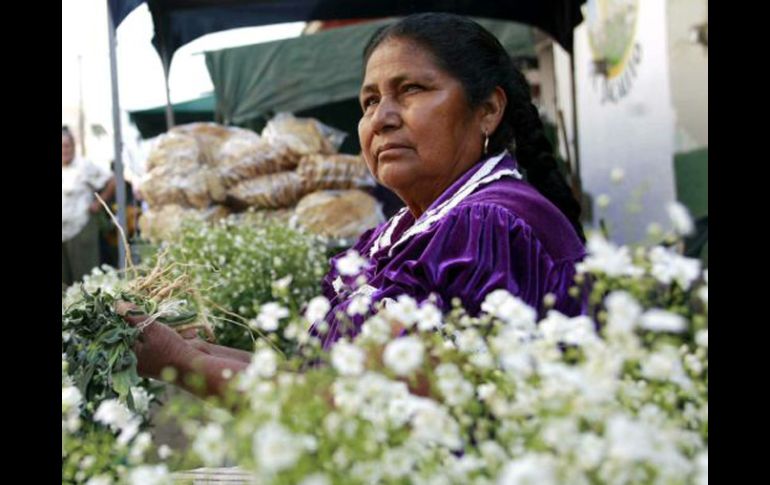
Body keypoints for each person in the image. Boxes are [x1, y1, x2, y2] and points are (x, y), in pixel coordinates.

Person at [120, 13, 587, 397]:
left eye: (411, 90)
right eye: (369, 100)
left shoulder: (489, 226)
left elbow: (377, 408)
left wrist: (184, 366)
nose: (381, 118)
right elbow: (324, 379)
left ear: (487, 109)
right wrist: (201, 355)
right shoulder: (396, 235)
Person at [62, 126, 116, 286]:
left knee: (85, 277)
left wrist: (98, 204)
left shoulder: (84, 165)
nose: (64, 150)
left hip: (82, 227)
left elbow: (111, 181)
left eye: (67, 145)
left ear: (73, 147)